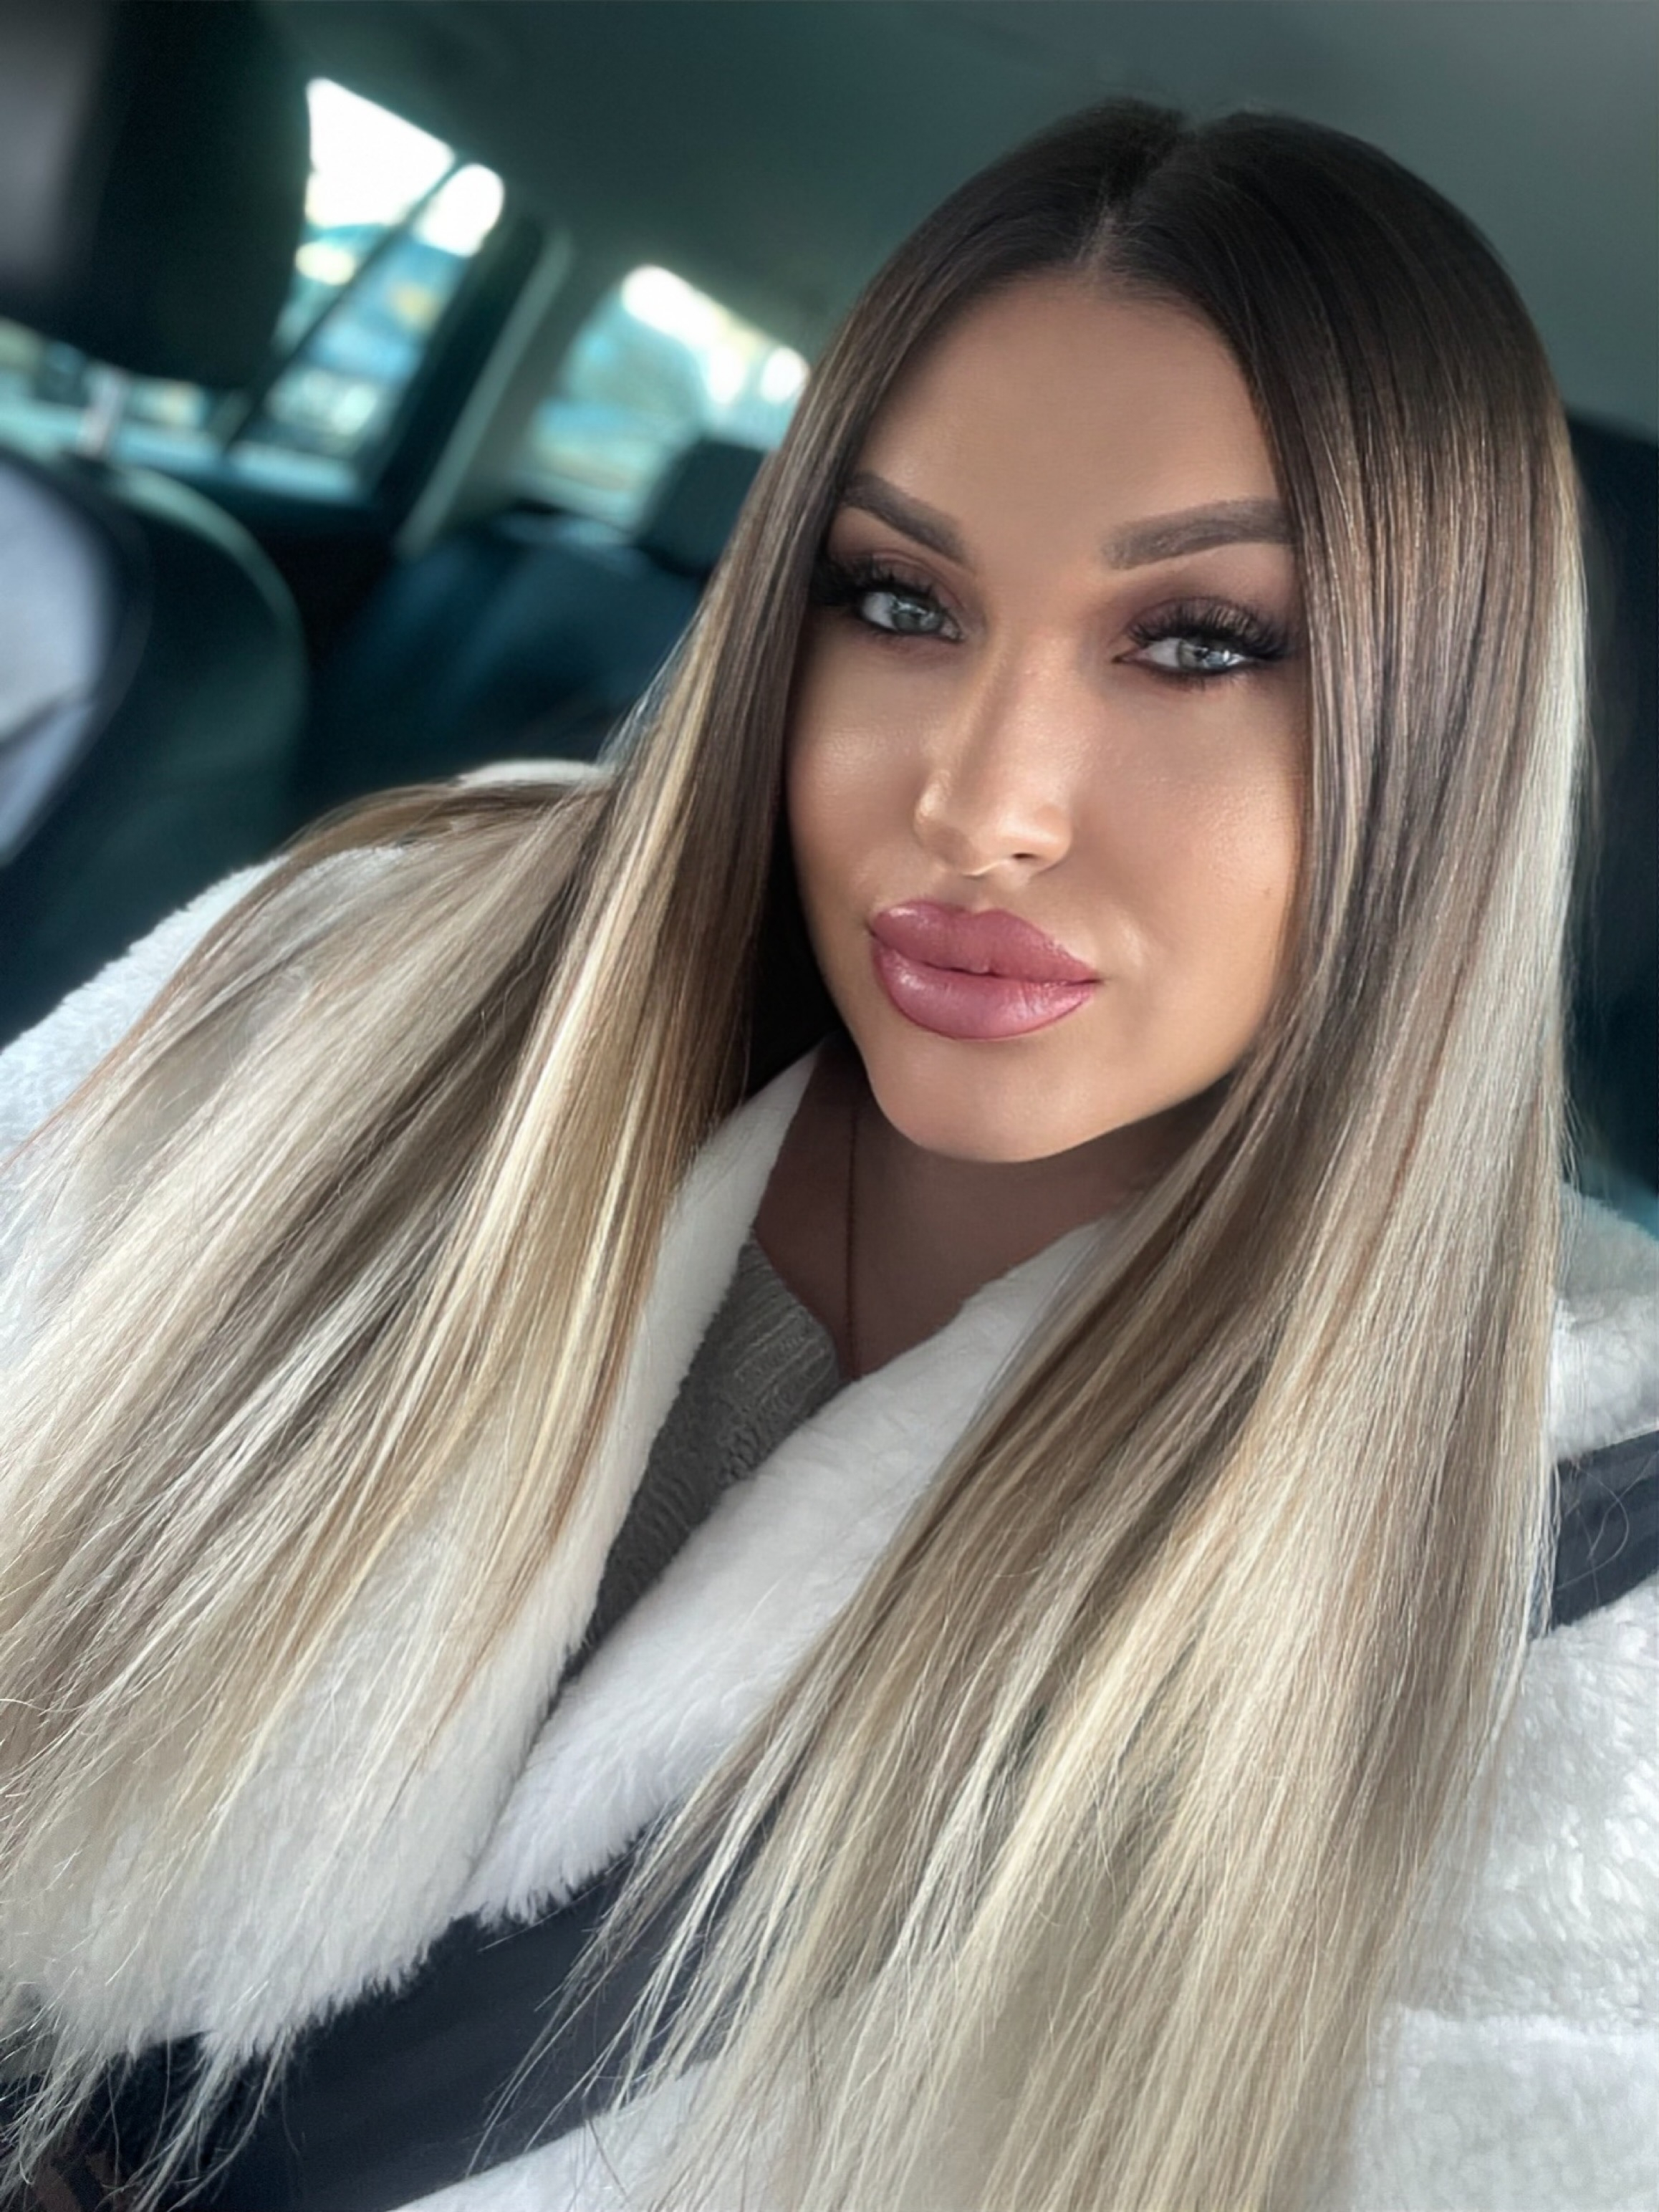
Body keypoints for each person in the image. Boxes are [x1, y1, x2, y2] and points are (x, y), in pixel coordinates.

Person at [1, 96, 1655, 2212]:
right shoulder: (353, 978)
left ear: (1450, 738)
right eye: (898, 600)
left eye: (1200, 642)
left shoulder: (1569, 1543)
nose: (980, 804)